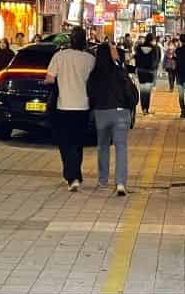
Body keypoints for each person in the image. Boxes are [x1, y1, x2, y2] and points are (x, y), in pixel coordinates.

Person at [45, 27, 96, 191]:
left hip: (63, 106)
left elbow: (49, 79)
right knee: (77, 142)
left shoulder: (59, 57)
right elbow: (94, 82)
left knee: (65, 142)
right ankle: (74, 175)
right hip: (83, 106)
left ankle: (72, 176)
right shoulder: (89, 59)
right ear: (85, 40)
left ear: (70, 40)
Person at [87, 41, 136, 196]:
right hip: (120, 113)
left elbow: (90, 94)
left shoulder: (94, 74)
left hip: (101, 113)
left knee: (103, 146)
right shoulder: (119, 71)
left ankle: (103, 180)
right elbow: (130, 91)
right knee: (121, 147)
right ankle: (120, 183)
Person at [134, 33, 161, 115]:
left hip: (141, 71)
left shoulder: (139, 48)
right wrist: (154, 68)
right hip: (150, 71)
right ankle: (146, 108)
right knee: (147, 90)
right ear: (152, 40)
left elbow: (136, 59)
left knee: (142, 90)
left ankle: (143, 108)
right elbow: (157, 59)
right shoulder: (155, 48)